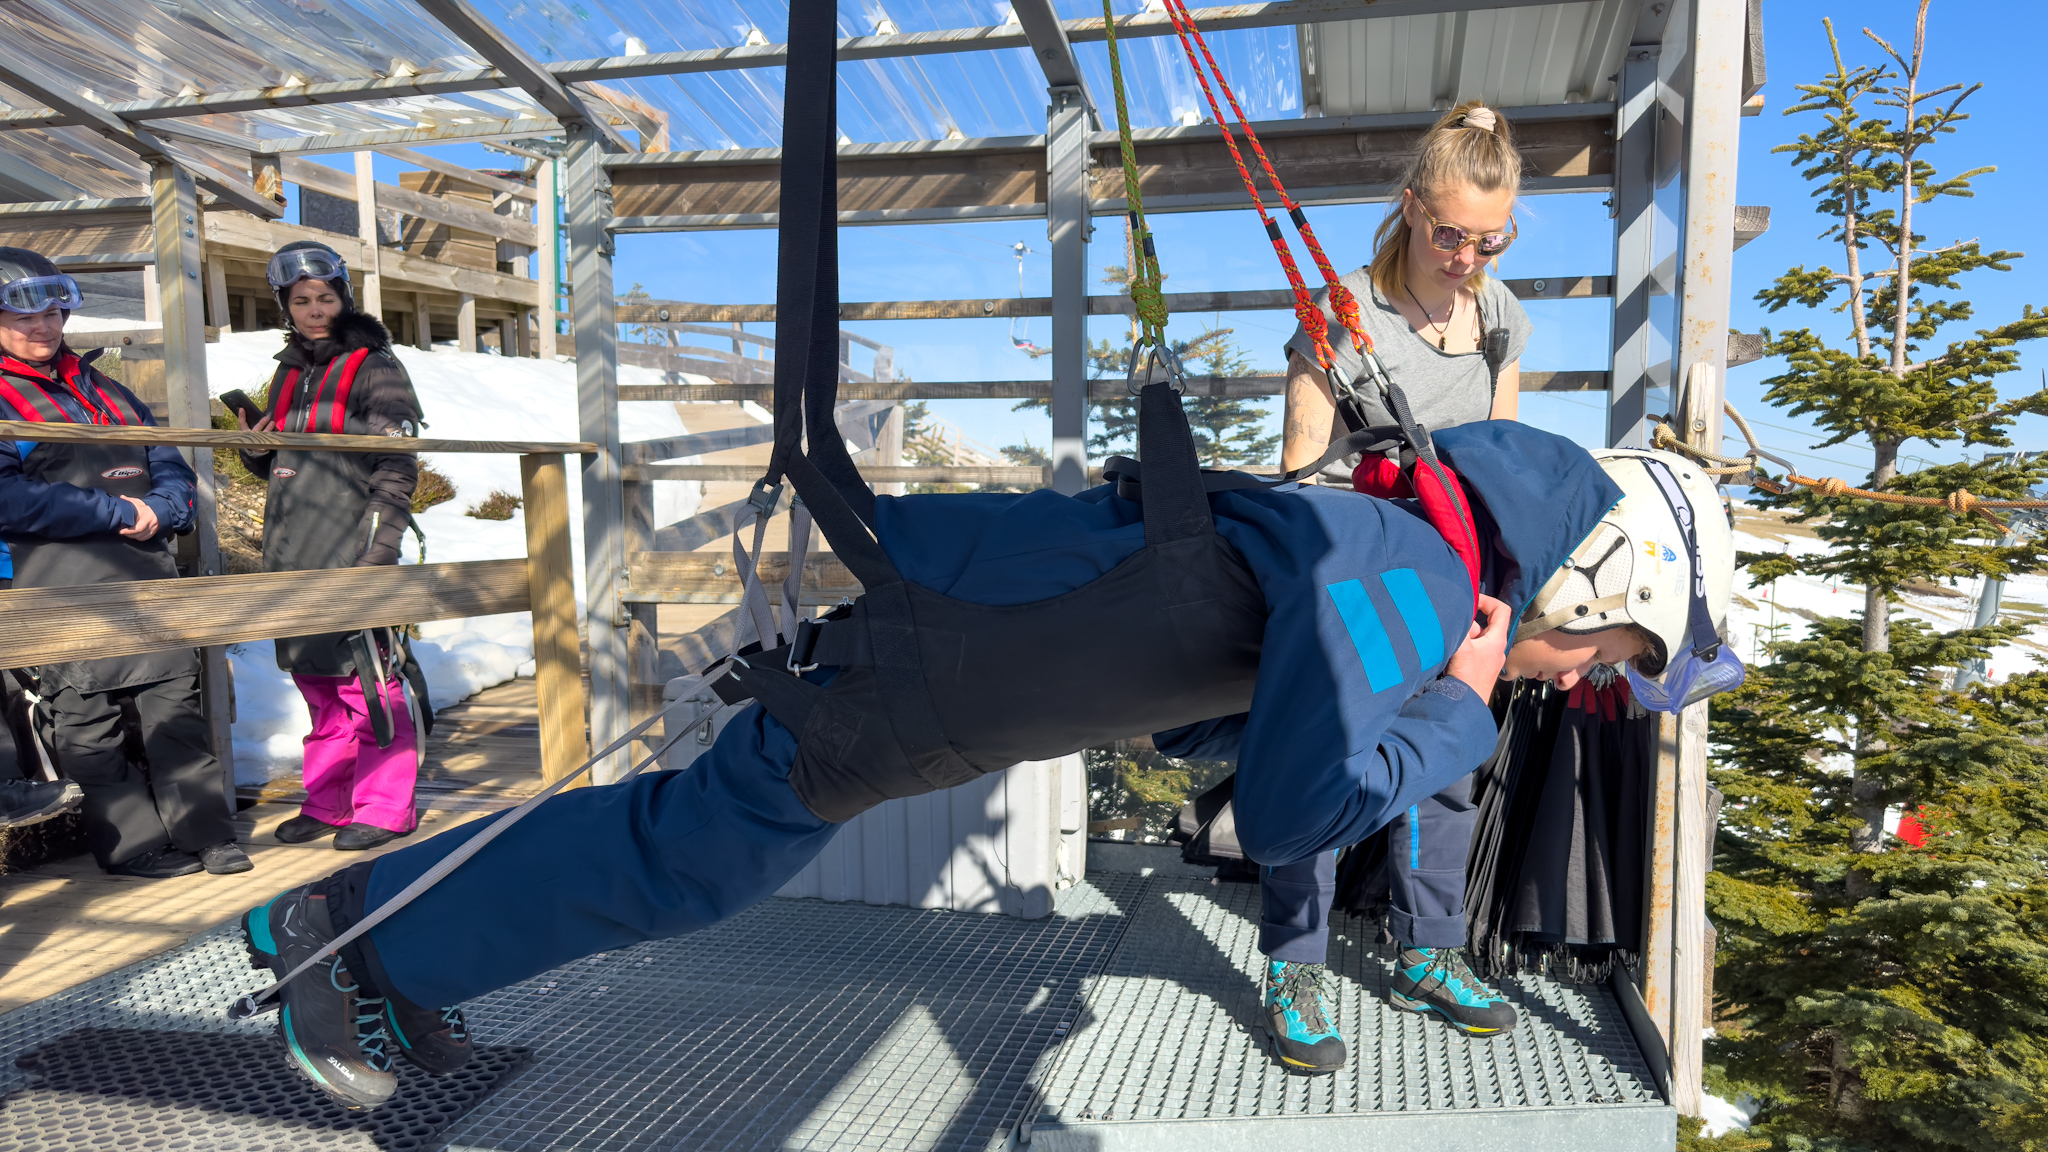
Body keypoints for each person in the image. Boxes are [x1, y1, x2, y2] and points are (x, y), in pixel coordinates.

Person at [235, 395, 1739, 1108]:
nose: (1578, 682)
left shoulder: (1401, 557)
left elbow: (1205, 724)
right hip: (928, 663)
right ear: (1599, 589)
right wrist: (1459, 709)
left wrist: (1423, 699)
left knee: (680, 850)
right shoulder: (1411, 583)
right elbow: (1289, 816)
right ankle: (349, 945)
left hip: (947, 658)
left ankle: (383, 946)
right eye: (1607, 660)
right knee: (685, 866)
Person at [1255, 100, 1534, 1071]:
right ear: (1409, 208)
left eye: (1488, 240)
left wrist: (1494, 586)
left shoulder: (1496, 313)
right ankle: (1293, 963)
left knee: (1444, 763)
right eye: (1449, 234)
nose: (1465, 257)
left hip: (1452, 570)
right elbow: (1297, 469)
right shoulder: (1343, 314)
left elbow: (1497, 459)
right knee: (1323, 758)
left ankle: (1425, 952)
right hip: (1352, 567)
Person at [0, 247, 245, 877]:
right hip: (51, 583)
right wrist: (115, 512)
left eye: (54, 314)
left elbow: (164, 457)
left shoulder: (104, 388)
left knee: (176, 709)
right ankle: (134, 847)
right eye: (24, 318)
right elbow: (7, 498)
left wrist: (166, 505)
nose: (44, 327)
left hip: (143, 575)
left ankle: (208, 833)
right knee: (86, 722)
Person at [236, 240, 426, 853]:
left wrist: (379, 549)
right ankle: (330, 801)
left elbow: (395, 466)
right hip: (294, 550)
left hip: (351, 545)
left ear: (344, 298)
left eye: (325, 297)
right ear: (286, 307)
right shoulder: (290, 370)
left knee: (369, 685)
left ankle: (385, 805)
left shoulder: (376, 367)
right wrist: (257, 449)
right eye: (302, 300)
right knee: (318, 685)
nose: (315, 309)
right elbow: (286, 464)